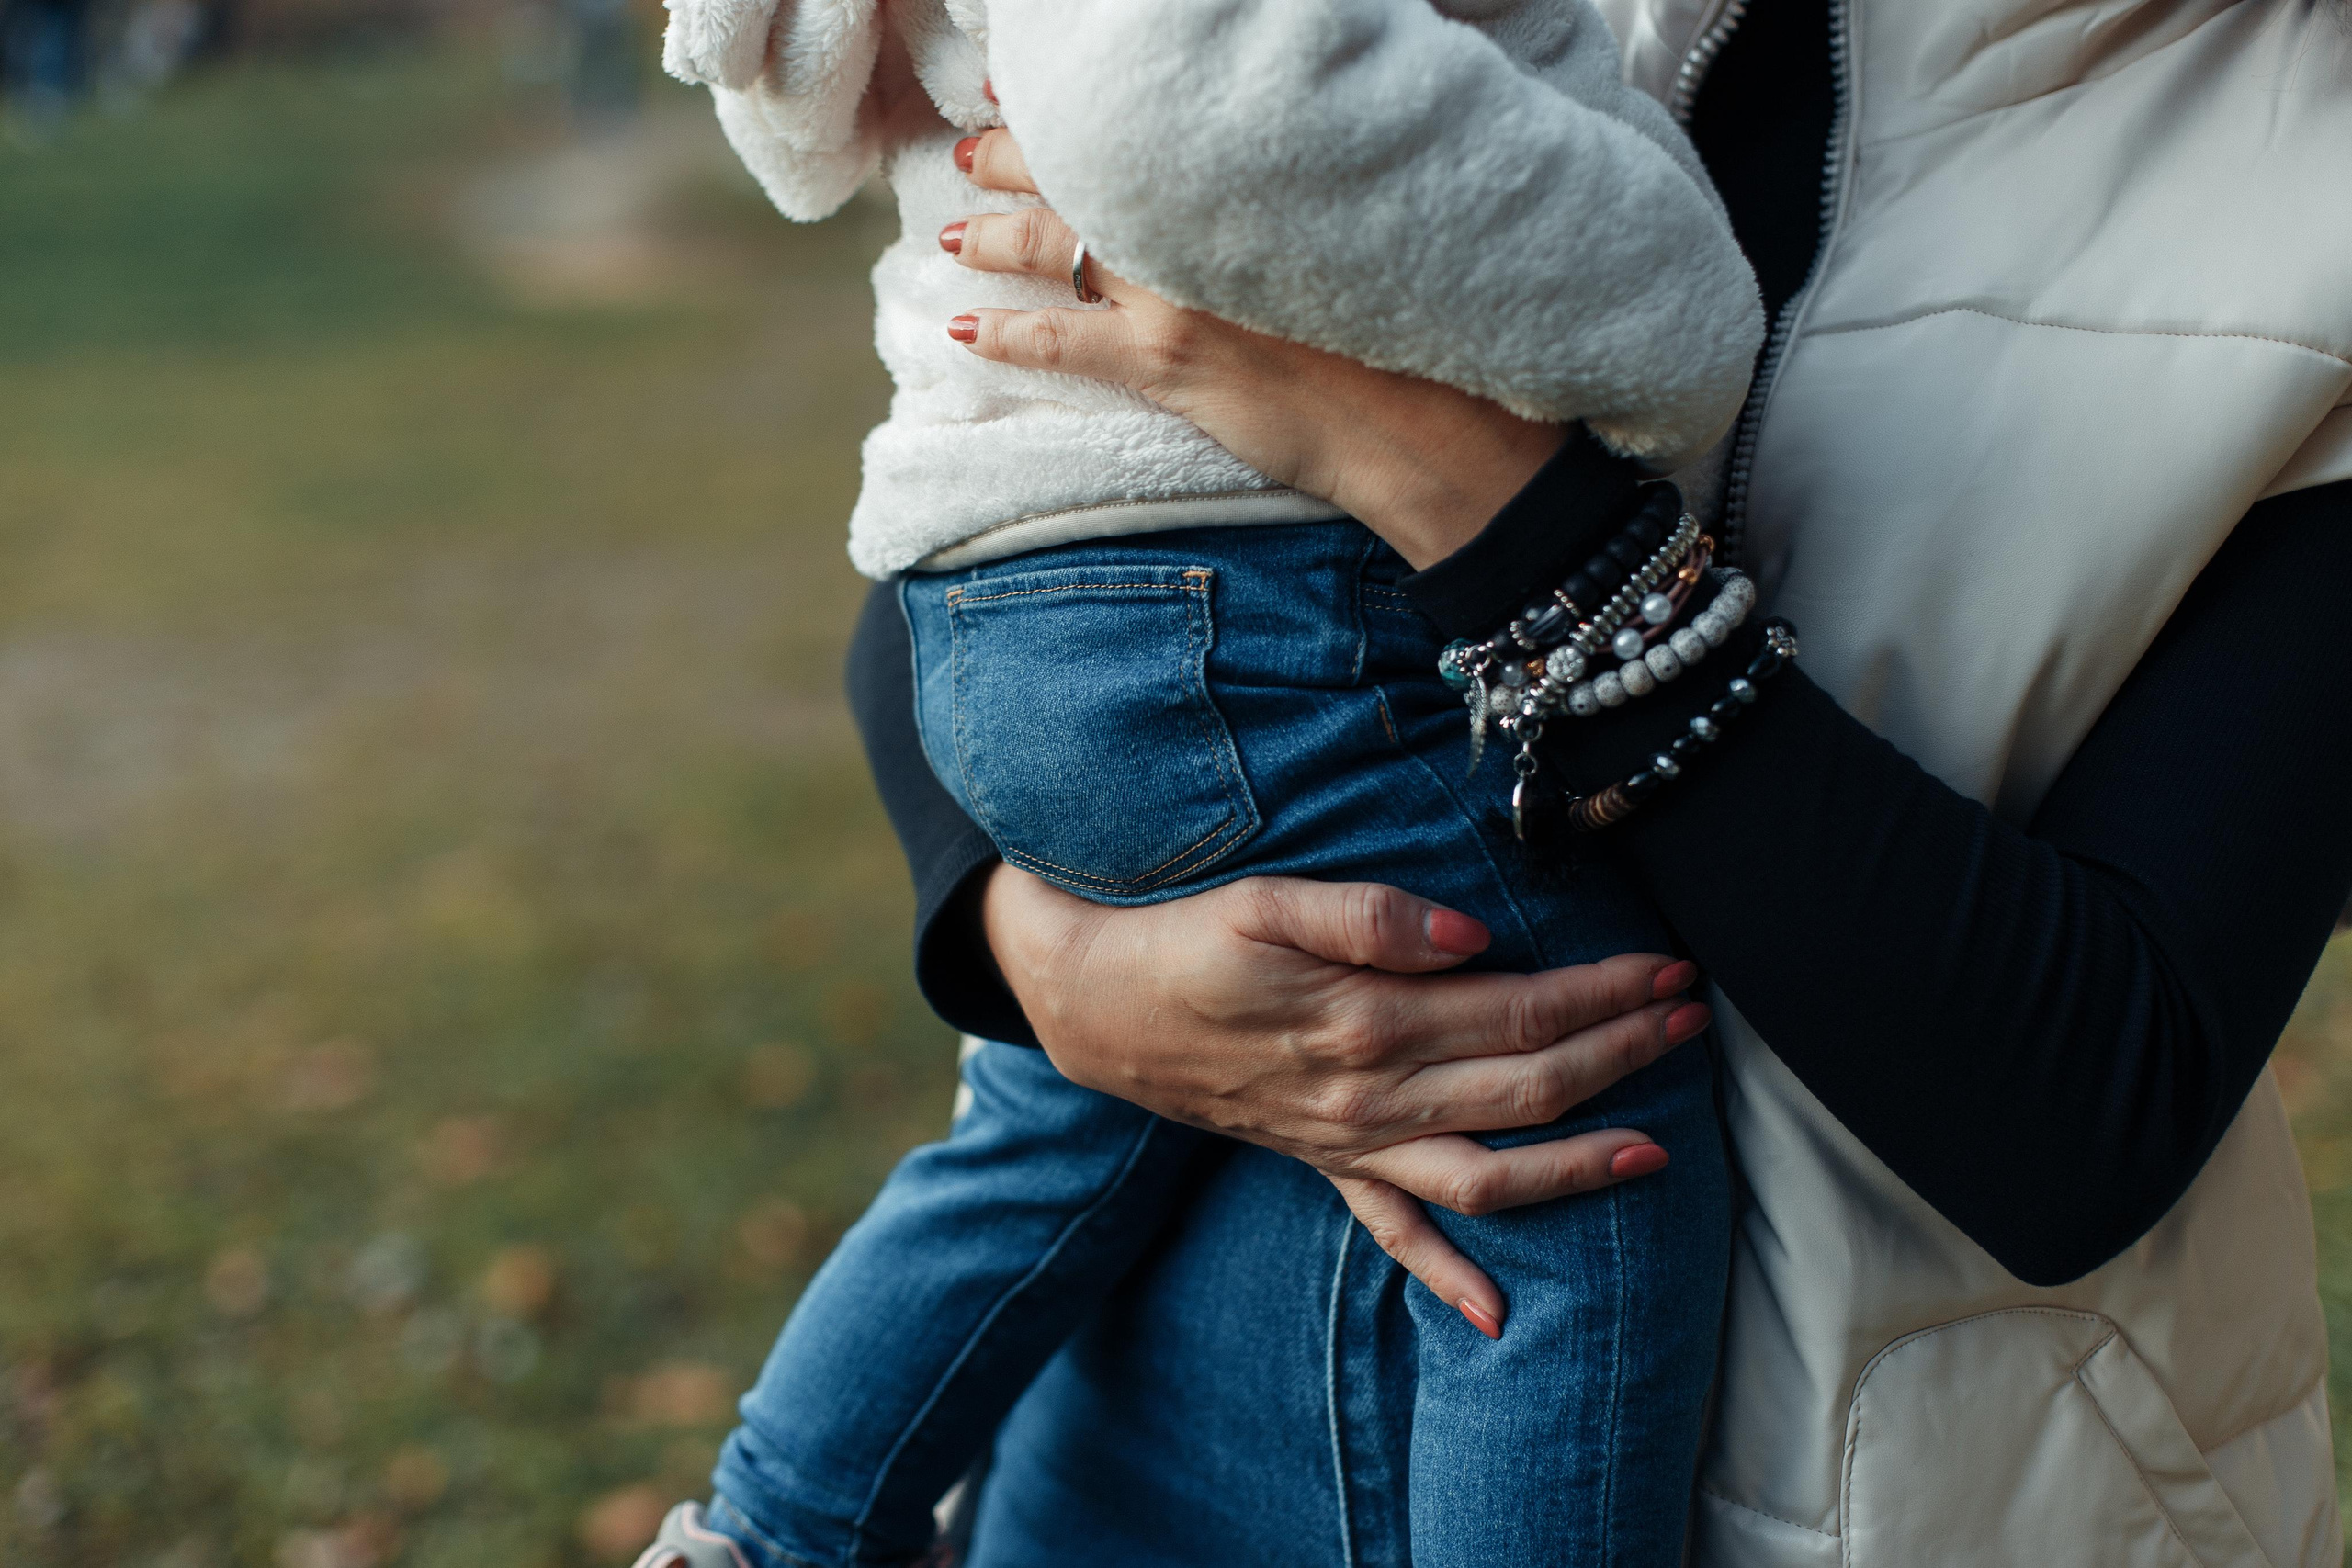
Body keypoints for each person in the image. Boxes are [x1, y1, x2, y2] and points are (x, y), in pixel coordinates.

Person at [832, 0, 2352, 1561]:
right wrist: (1040, 954)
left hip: (1875, 1497)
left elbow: (2094, 1105)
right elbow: (972, 534)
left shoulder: (2316, 190)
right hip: (1152, 1424)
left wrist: (1481, 498)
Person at [640, 0, 1772, 1564]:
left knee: (1056, 1112)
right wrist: (1676, 323)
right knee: (1568, 1139)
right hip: (1255, 597)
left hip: (996, 601)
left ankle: (765, 1536)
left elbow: (828, 128)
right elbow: (1165, 86)